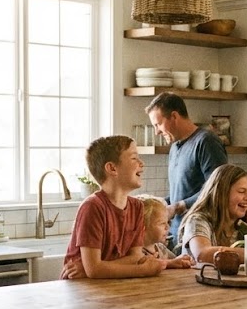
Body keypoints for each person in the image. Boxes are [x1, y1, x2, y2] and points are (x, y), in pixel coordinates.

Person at [61, 135, 167, 280]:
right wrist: (142, 270)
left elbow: (136, 257)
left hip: (110, 288)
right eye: (134, 158)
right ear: (112, 168)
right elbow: (95, 270)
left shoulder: (136, 207)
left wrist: (96, 267)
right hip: (81, 290)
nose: (141, 163)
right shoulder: (92, 207)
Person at [146, 92, 228, 245]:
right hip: (177, 234)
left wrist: (178, 206)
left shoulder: (206, 142)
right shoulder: (174, 146)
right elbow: (181, 191)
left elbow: (219, 188)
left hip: (199, 235)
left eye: (158, 124)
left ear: (174, 116)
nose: (156, 131)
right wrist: (159, 204)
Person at [139, 195, 194, 269]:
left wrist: (181, 259)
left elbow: (174, 260)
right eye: (162, 223)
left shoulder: (161, 248)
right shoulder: (136, 251)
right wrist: (170, 263)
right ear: (143, 227)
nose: (167, 227)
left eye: (167, 222)